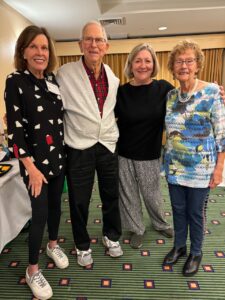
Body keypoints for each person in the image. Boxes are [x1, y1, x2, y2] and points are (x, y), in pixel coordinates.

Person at [4, 25, 69, 300]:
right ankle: (32, 270)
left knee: (55, 209)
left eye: (44, 47)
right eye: (34, 47)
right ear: (23, 51)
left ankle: (53, 245)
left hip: (58, 159)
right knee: (39, 216)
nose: (40, 52)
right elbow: (15, 131)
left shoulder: (52, 80)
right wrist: (30, 168)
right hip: (35, 167)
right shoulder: (15, 80)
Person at [56, 21, 123, 267]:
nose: (94, 44)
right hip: (78, 146)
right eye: (89, 39)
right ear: (80, 44)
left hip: (106, 145)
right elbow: (48, 101)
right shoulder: (65, 73)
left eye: (99, 40)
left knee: (110, 195)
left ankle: (111, 236)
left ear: (106, 46)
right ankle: (82, 245)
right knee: (79, 199)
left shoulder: (113, 78)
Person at [162, 40, 225, 276]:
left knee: (195, 212)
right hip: (175, 166)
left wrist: (219, 168)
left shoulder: (211, 91)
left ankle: (196, 252)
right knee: (177, 209)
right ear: (173, 66)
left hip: (201, 169)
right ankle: (179, 246)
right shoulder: (170, 95)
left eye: (189, 60)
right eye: (179, 61)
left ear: (198, 64)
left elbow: (222, 133)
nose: (184, 65)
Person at [115, 43, 174, 249]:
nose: (143, 65)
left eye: (147, 60)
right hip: (124, 154)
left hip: (150, 153)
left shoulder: (164, 88)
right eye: (138, 61)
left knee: (153, 194)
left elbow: (186, 99)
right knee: (128, 194)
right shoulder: (120, 92)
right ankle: (136, 228)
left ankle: (159, 223)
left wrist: (212, 91)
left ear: (154, 64)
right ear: (130, 65)